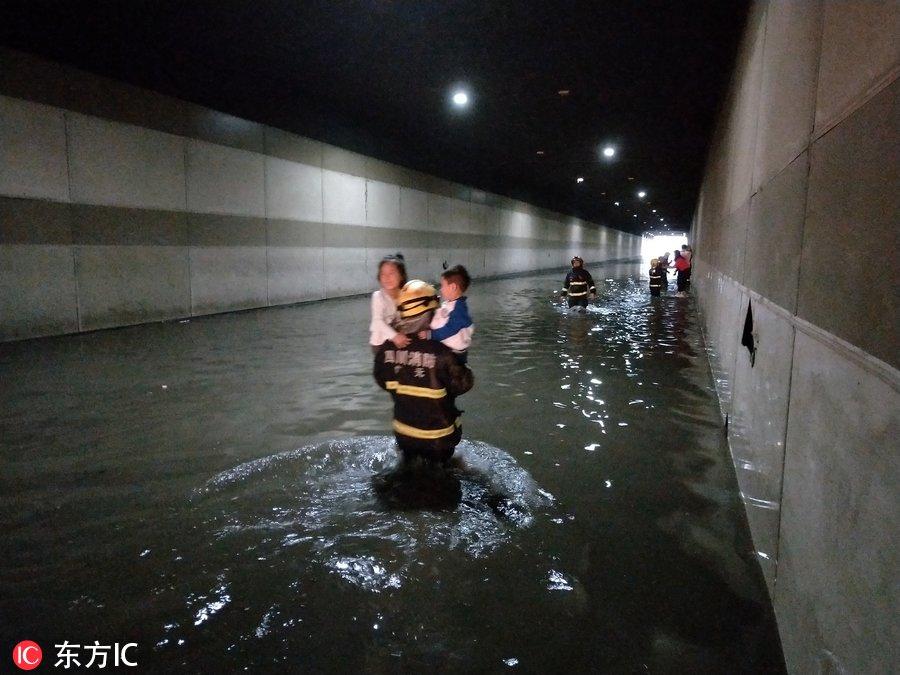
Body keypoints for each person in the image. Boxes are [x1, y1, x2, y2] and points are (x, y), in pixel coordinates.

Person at [373, 280, 474, 464]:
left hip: (404, 434)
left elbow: (382, 380)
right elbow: (463, 384)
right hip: (439, 438)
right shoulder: (441, 352)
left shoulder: (387, 348)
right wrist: (461, 357)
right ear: (430, 313)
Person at [427, 264, 474, 365]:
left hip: (455, 356)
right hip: (447, 350)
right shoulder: (451, 303)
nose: (441, 289)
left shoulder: (459, 309)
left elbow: (450, 328)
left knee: (453, 377)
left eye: (443, 285)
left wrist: (430, 335)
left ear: (453, 287)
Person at [370, 253, 410, 353]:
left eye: (391, 273)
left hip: (399, 339)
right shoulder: (378, 296)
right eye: (383, 274)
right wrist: (394, 336)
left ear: (401, 276)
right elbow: (377, 321)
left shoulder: (405, 294)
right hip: (380, 343)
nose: (387, 277)